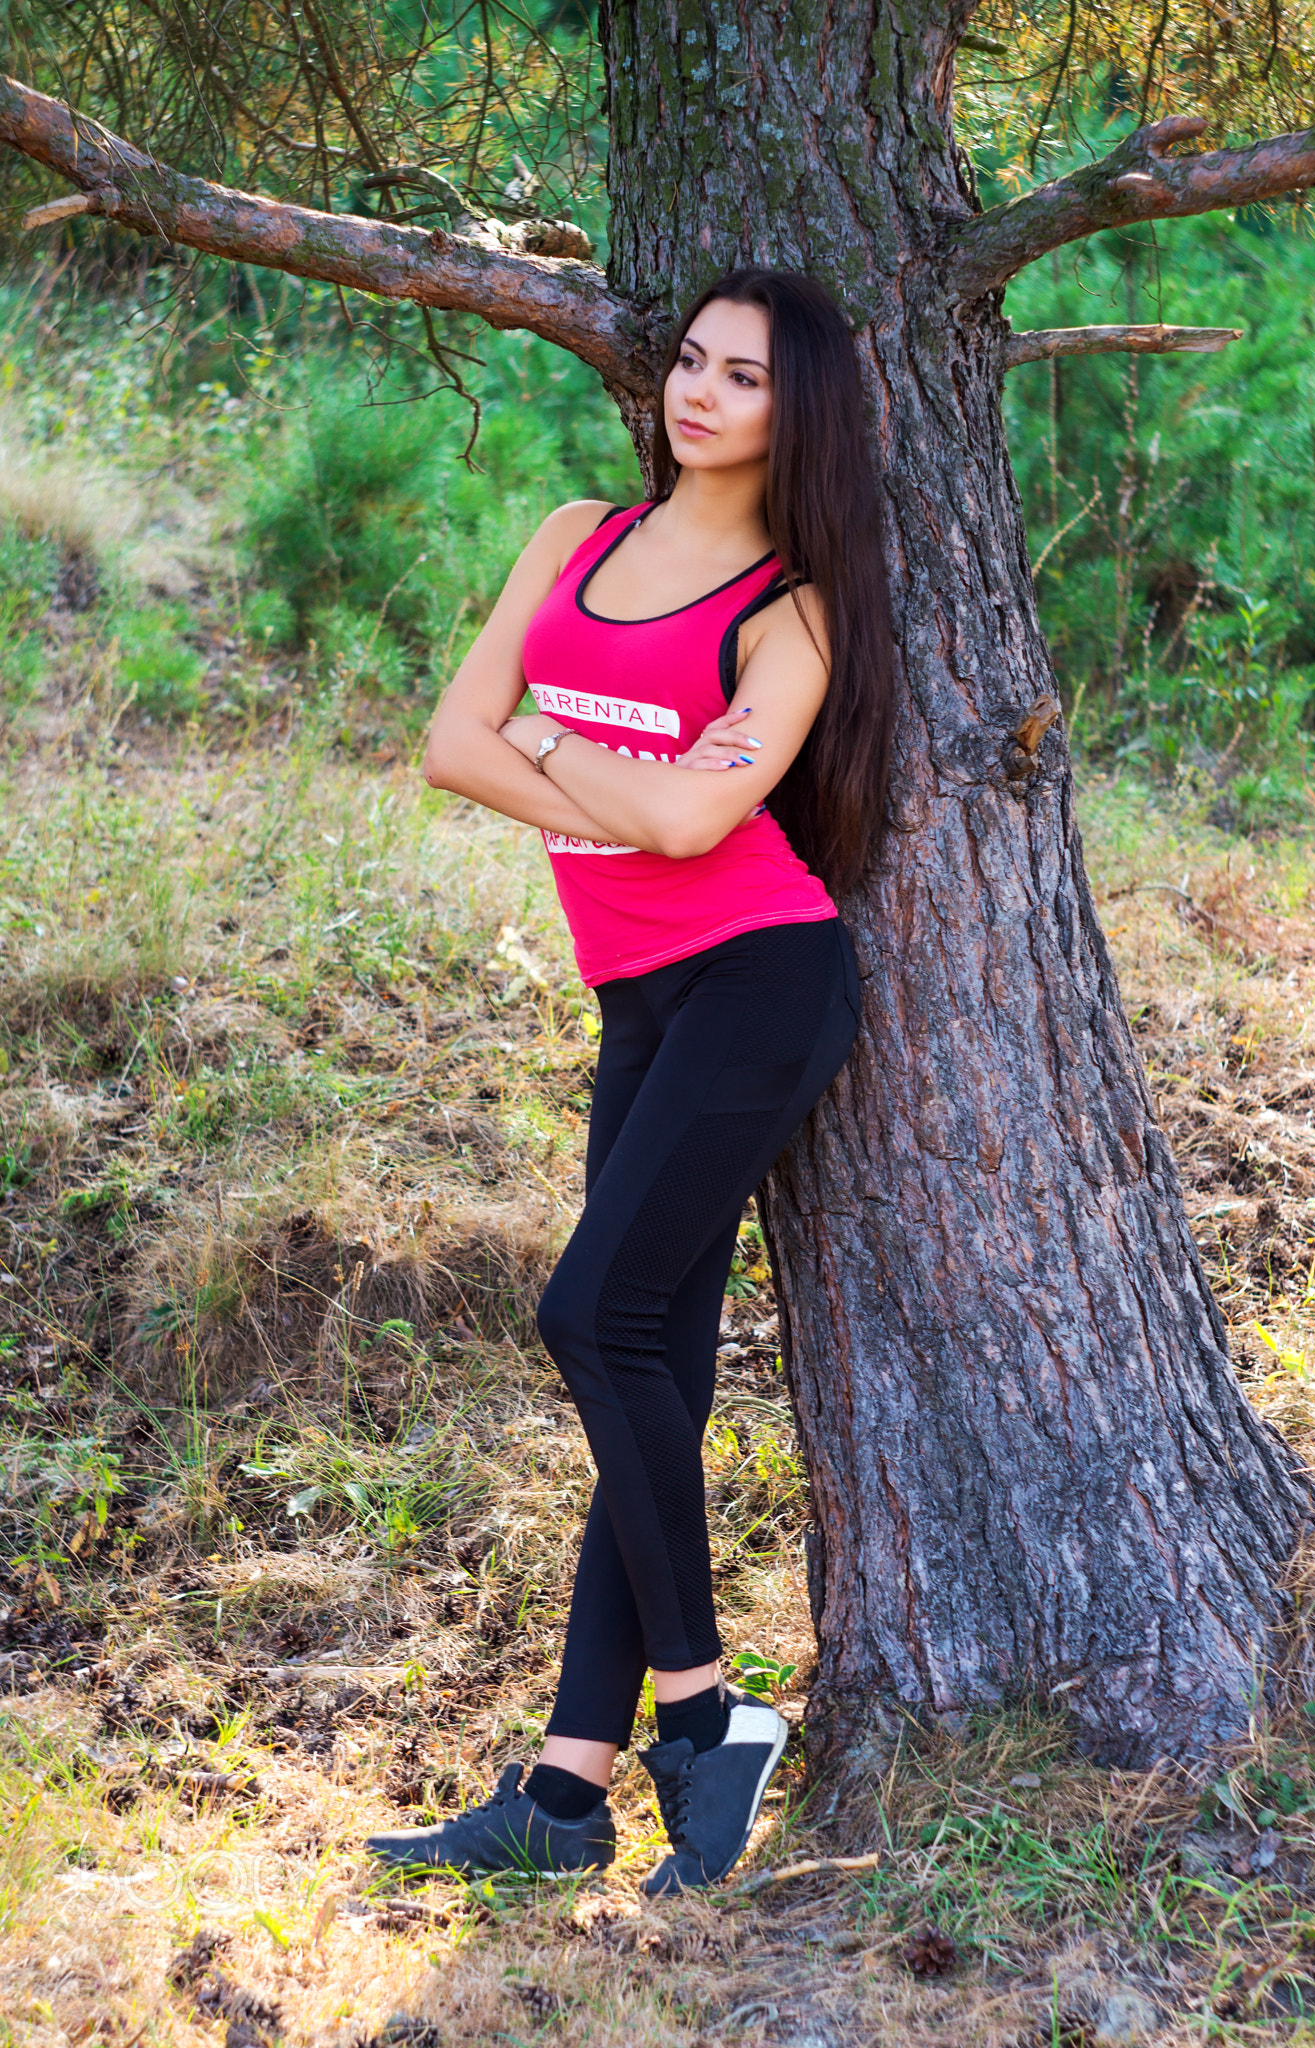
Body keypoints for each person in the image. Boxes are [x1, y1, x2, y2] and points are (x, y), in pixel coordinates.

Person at [367, 266, 895, 1896]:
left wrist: (551, 746)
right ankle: (567, 1797)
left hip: (760, 982)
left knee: (590, 1317)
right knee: (646, 1353)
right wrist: (589, 765)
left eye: (742, 378)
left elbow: (682, 826)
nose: (699, 393)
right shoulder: (580, 535)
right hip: (639, 996)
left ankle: (709, 1710)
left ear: (793, 413)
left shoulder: (795, 607)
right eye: (690, 362)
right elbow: (449, 736)